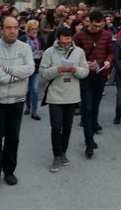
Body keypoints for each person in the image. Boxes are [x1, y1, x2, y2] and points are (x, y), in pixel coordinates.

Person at [0, 16, 35, 190]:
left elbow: (30, 69)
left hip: (16, 101)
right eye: (8, 27)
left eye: (15, 27)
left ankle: (9, 170)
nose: (12, 31)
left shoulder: (25, 48)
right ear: (1, 28)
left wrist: (7, 70)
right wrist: (16, 77)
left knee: (13, 137)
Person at [39, 27, 89, 173]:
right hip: (55, 95)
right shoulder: (49, 52)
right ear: (58, 38)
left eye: (69, 39)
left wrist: (75, 70)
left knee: (67, 126)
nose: (67, 42)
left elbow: (85, 71)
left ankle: (63, 152)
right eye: (64, 39)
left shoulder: (79, 52)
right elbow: (42, 73)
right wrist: (57, 69)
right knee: (56, 126)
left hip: (72, 95)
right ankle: (56, 155)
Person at [74, 10, 114, 158]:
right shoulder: (79, 36)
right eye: (95, 25)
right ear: (89, 22)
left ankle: (91, 131)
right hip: (85, 76)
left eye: (101, 25)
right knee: (87, 107)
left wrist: (108, 60)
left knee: (95, 106)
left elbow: (111, 51)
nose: (98, 28)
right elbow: (74, 55)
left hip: (101, 74)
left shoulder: (107, 34)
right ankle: (89, 142)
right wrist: (85, 63)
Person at [20, 20, 46, 120]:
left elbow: (44, 50)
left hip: (36, 67)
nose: (35, 31)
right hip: (25, 67)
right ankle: (28, 106)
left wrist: (41, 53)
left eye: (36, 29)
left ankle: (34, 111)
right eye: (33, 29)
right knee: (27, 89)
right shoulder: (22, 39)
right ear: (28, 29)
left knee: (35, 89)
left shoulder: (40, 39)